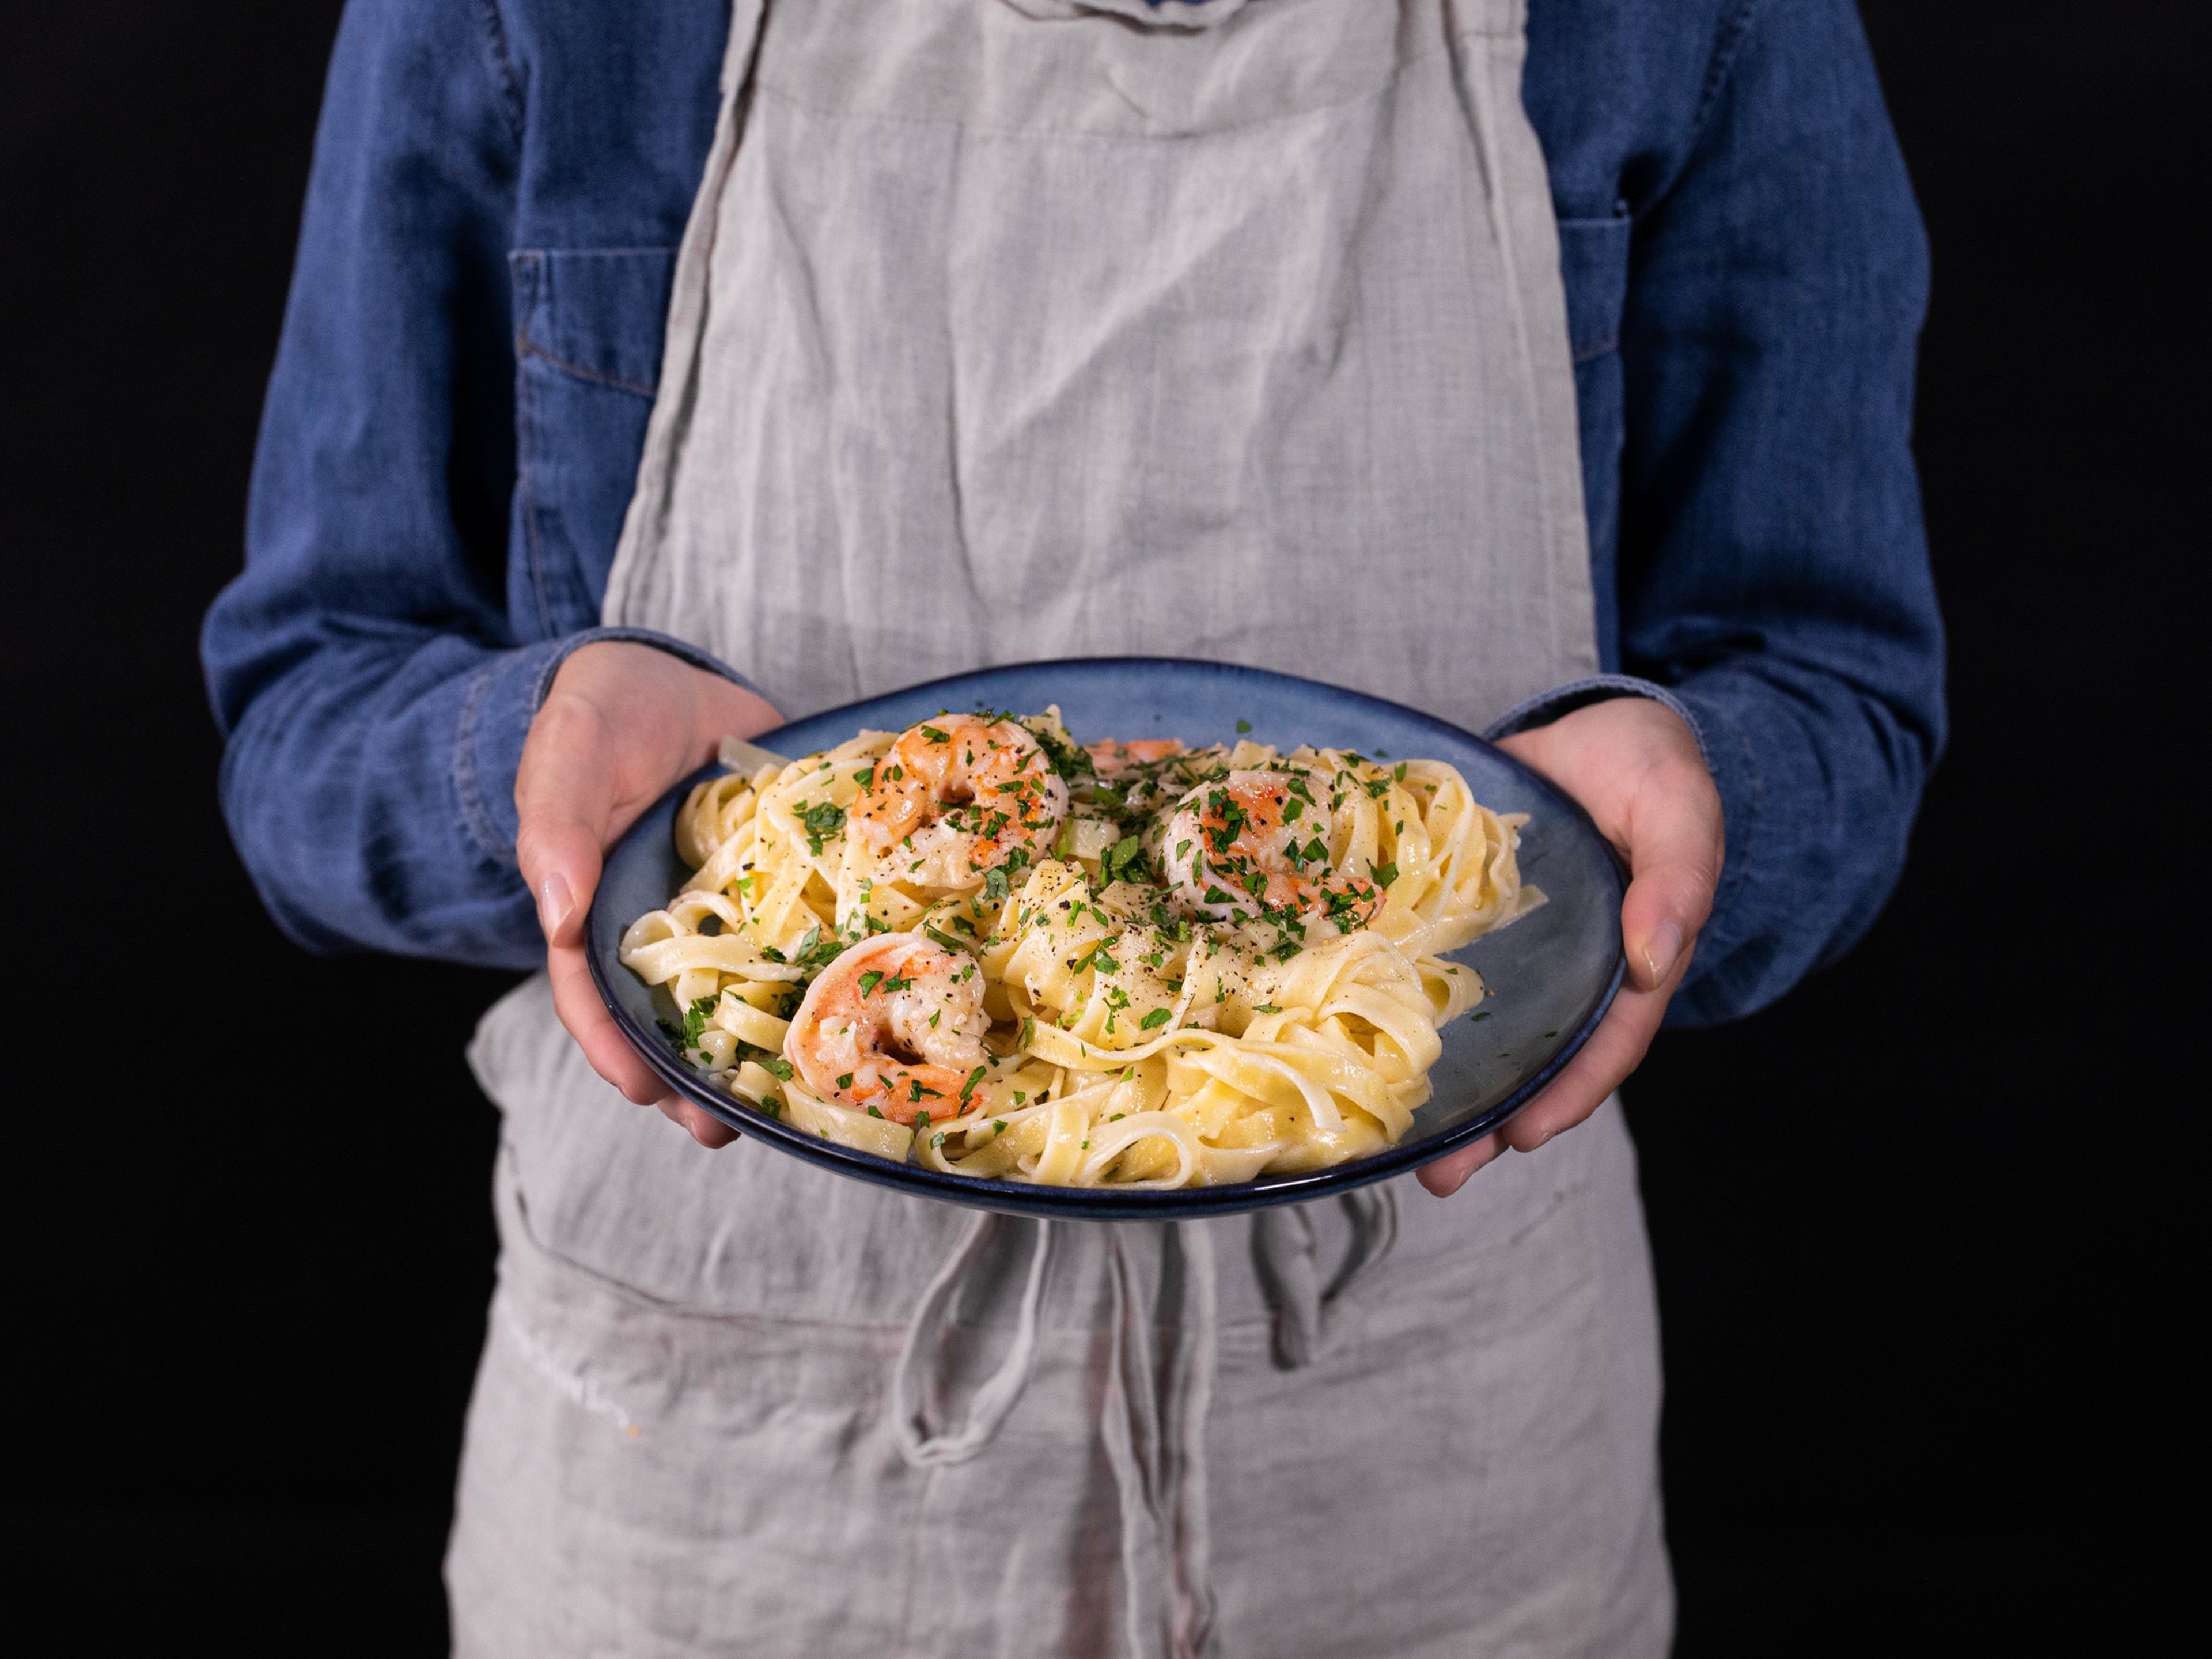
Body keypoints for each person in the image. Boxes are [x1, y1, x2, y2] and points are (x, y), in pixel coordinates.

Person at [203, 0, 1944, 1652]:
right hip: (724, 1481)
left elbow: (1831, 688)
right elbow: (305, 718)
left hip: (1443, 1470)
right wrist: (536, 770)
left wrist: (1698, 811)